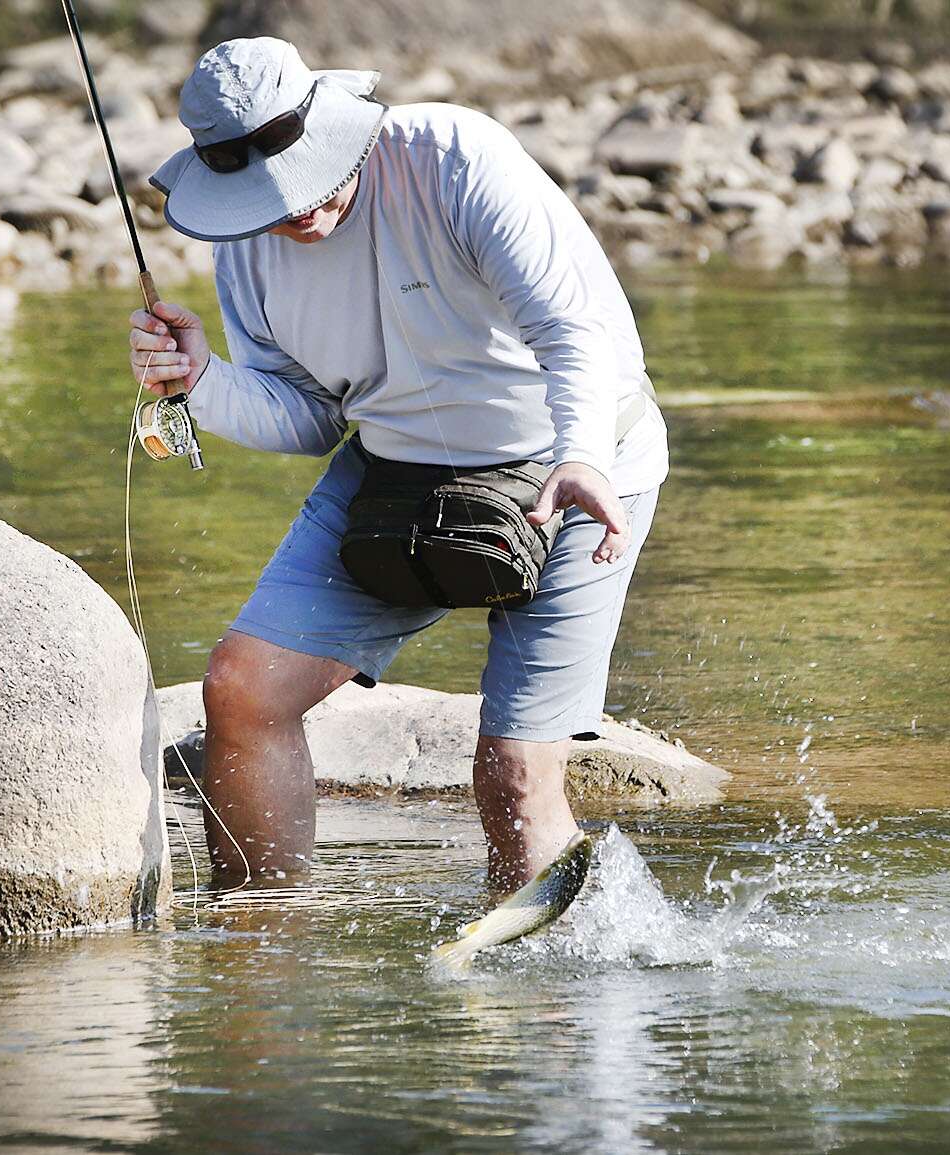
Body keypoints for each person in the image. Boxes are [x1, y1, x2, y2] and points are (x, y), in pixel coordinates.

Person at [129, 37, 669, 893]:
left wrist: (583, 456)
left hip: (578, 459)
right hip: (393, 463)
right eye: (264, 198)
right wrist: (203, 382)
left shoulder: (453, 158)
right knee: (240, 691)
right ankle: (266, 968)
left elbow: (573, 334)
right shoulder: (243, 236)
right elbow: (309, 414)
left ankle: (559, 998)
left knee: (513, 771)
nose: (293, 211)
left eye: (303, 179)